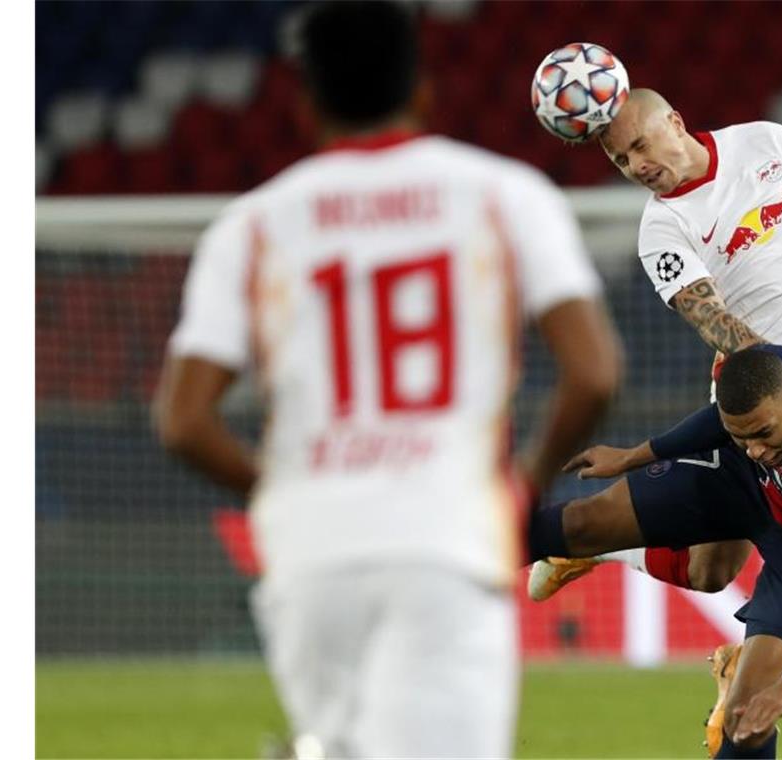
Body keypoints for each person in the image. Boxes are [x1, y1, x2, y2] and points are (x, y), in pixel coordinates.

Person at [154, 3, 622, 757]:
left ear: (305, 104)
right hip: (444, 537)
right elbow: (594, 372)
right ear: (425, 90)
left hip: (310, 559)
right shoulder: (506, 196)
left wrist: (279, 496)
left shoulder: (253, 225)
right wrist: (523, 486)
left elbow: (182, 420)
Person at [529, 87, 782, 608]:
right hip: (755, 393)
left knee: (756, 559)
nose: (637, 165)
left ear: (675, 122)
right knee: (721, 566)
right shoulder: (660, 229)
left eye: (641, 145)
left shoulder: (766, 142)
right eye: (621, 159)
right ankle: (595, 552)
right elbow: (710, 317)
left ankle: (616, 564)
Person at [526, 345, 782, 759]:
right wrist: (633, 456)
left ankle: (601, 553)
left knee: (744, 725)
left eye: (762, 434)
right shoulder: (772, 373)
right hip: (745, 484)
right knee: (583, 525)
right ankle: (461, 551)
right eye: (743, 436)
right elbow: (724, 421)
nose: (756, 446)